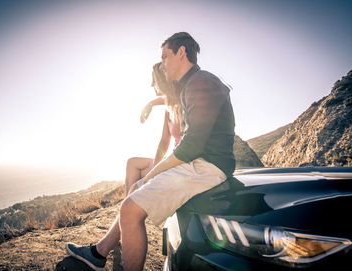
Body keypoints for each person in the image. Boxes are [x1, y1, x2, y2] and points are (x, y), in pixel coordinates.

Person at [66, 32, 236, 271]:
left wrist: (149, 176)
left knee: (130, 208)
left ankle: (100, 253)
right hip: (200, 163)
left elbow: (192, 145)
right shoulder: (192, 84)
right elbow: (169, 102)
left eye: (165, 57)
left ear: (181, 53)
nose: (163, 65)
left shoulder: (201, 82)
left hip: (206, 167)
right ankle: (100, 253)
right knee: (130, 204)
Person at [124, 62, 182, 194]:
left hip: (180, 161)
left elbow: (176, 97)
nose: (151, 84)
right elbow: (163, 142)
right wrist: (155, 167)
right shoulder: (169, 110)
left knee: (138, 184)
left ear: (163, 80)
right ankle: (129, 203)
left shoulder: (183, 104)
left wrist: (152, 103)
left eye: (154, 80)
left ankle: (132, 204)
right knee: (132, 163)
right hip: (170, 159)